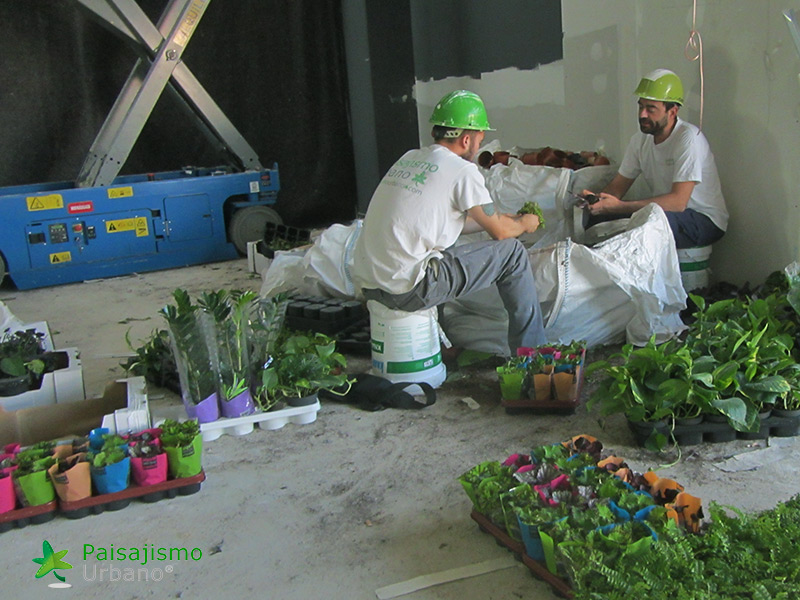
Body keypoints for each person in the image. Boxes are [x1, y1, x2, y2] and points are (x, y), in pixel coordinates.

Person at [352, 90, 545, 355]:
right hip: (409, 290)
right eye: (480, 139)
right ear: (467, 139)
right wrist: (525, 222)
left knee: (436, 252)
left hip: (372, 286)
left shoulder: (410, 159)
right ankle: (532, 357)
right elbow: (501, 234)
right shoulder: (463, 171)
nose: (480, 145)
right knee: (512, 253)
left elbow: (445, 222)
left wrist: (502, 219)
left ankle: (442, 346)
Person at [582, 69, 728, 248]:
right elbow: (617, 188)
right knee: (598, 219)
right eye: (641, 106)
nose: (642, 114)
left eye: (651, 109)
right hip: (664, 214)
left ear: (672, 112)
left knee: (650, 225)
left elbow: (678, 203)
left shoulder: (688, 138)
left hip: (703, 220)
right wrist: (596, 201)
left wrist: (618, 206)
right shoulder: (640, 140)